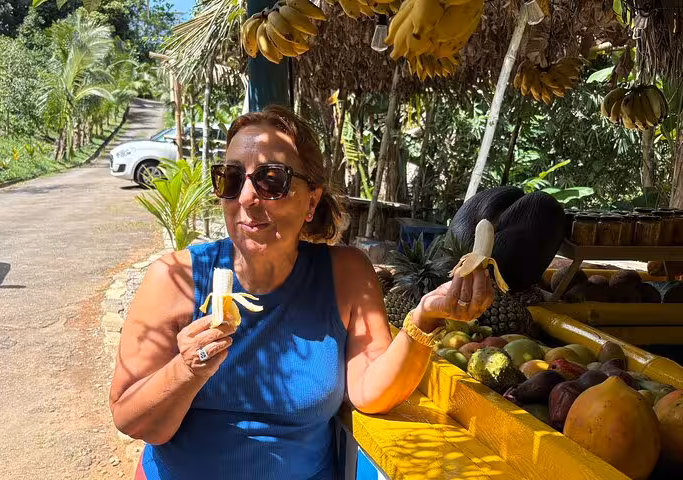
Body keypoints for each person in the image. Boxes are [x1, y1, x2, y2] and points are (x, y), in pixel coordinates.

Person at [109, 106, 494, 480]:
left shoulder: (345, 274)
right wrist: (186, 370)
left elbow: (369, 390)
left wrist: (425, 319)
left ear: (311, 200)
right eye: (231, 178)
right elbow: (133, 419)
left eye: (271, 179)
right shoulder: (175, 278)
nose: (246, 198)